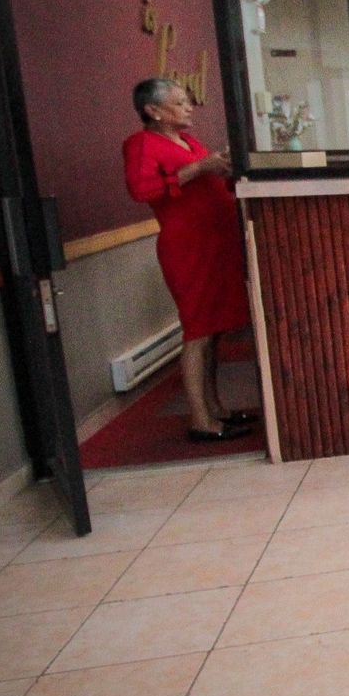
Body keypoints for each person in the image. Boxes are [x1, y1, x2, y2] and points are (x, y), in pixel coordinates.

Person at [122, 79, 255, 442]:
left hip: (217, 245)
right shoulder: (141, 144)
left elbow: (206, 178)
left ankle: (217, 409)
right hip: (188, 247)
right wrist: (201, 168)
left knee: (215, 332)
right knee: (198, 331)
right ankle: (199, 419)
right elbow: (142, 189)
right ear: (153, 110)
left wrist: (222, 167)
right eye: (179, 103)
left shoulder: (189, 142)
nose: (188, 108)